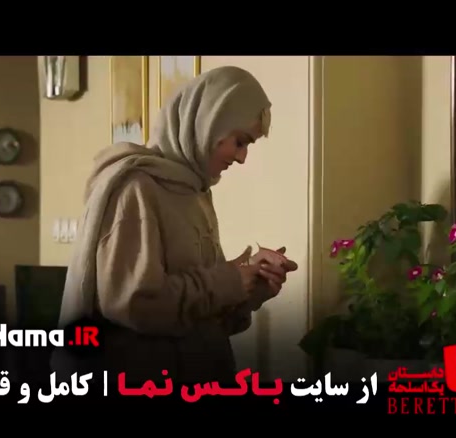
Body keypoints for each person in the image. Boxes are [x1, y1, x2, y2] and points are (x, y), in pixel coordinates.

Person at [51, 66, 298, 385]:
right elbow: (133, 303)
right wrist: (229, 280)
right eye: (239, 142)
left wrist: (249, 288)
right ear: (209, 124)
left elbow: (197, 314)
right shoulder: (137, 188)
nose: (242, 158)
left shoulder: (194, 191)